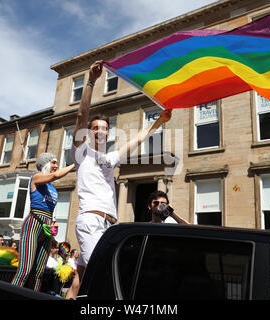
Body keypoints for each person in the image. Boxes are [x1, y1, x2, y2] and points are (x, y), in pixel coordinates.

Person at [66, 60, 172, 299]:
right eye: (95, 128)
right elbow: (81, 115)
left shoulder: (109, 158)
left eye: (104, 128)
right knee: (103, 272)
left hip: (107, 225)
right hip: (91, 221)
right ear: (89, 132)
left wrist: (159, 122)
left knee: (79, 280)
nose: (100, 131)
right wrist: (91, 82)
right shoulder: (81, 153)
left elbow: (138, 140)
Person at [11, 152, 74, 291]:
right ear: (45, 164)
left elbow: (50, 211)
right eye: (53, 162)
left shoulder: (54, 189)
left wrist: (53, 227)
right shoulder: (36, 177)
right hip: (33, 223)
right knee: (25, 270)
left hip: (46, 228)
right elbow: (55, 176)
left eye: (56, 163)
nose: (56, 166)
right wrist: (75, 165)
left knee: (39, 273)